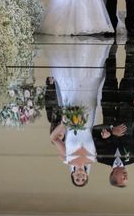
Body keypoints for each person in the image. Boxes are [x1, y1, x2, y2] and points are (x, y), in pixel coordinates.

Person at [44, 41, 111, 187]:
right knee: (89, 90)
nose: (80, 177)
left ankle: (68, 51)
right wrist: (105, 137)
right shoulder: (94, 158)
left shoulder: (66, 158)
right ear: (87, 175)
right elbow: (101, 138)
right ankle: (92, 51)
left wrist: (64, 123)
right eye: (83, 179)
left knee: (72, 89)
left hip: (71, 120)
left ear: (73, 174)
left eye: (77, 179)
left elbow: (54, 138)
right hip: (88, 120)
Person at [92, 40, 134, 188]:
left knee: (110, 76)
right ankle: (130, 50)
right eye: (127, 179)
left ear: (113, 175)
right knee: (129, 77)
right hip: (127, 110)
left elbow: (94, 131)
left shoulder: (102, 158)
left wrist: (112, 130)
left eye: (122, 178)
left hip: (109, 106)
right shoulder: (133, 158)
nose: (126, 176)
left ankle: (111, 51)